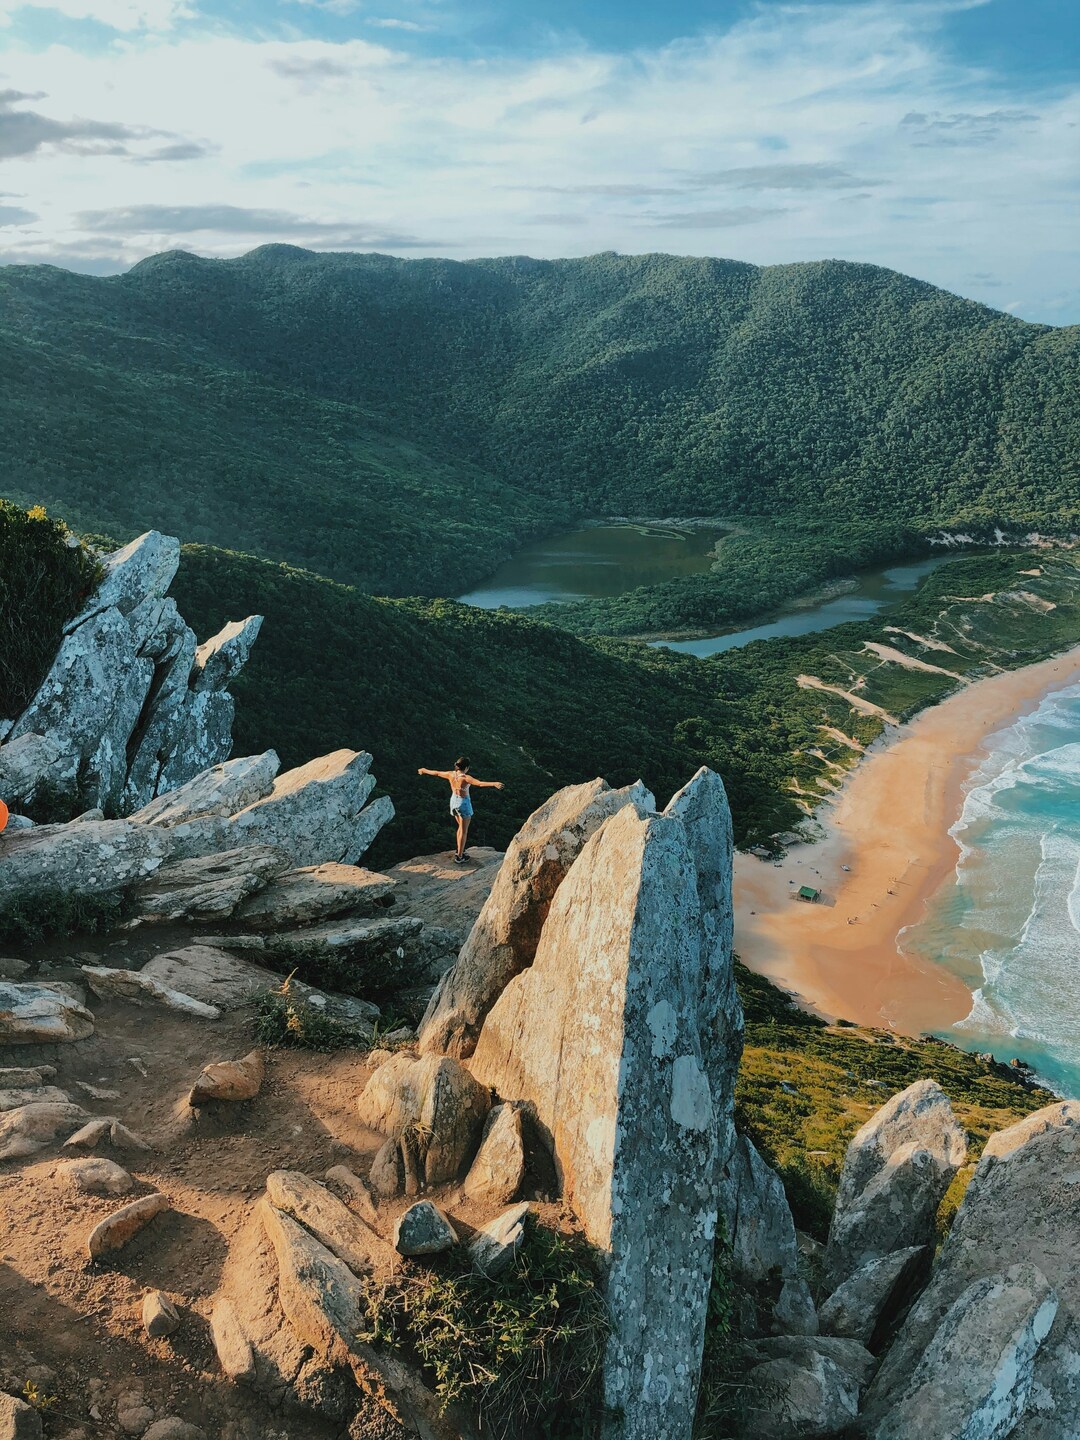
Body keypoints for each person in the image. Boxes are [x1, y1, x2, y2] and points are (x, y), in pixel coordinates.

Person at [417, 756, 504, 864]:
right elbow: (479, 783)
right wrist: (494, 783)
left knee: (460, 828)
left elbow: (437, 773)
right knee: (464, 831)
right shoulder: (465, 778)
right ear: (466, 767)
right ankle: (459, 856)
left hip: (454, 801)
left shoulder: (450, 774)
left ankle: (460, 850)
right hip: (463, 803)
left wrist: (424, 770)